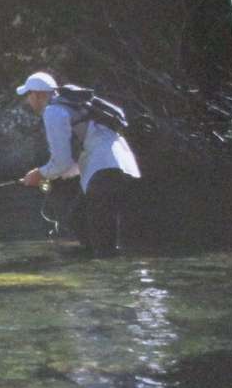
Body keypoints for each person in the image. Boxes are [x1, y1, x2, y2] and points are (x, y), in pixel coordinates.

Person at [16, 71, 141, 257]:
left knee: (102, 242)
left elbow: (62, 162)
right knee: (78, 218)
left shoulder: (53, 112)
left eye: (28, 95)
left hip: (104, 171)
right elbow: (72, 164)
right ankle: (100, 270)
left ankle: (107, 273)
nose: (28, 100)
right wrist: (46, 175)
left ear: (37, 94)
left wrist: (39, 174)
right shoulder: (73, 105)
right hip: (120, 166)